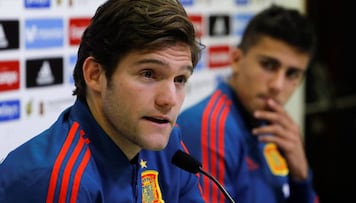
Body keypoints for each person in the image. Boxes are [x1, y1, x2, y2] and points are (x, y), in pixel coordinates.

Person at [0, 0, 205, 202]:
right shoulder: (59, 181)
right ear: (95, 74)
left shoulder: (170, 148)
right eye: (148, 74)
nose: (169, 100)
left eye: (180, 79)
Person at [177, 4, 319, 203]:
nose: (277, 85)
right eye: (269, 65)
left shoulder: (275, 125)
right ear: (236, 59)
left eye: (292, 74)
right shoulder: (210, 126)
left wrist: (301, 176)